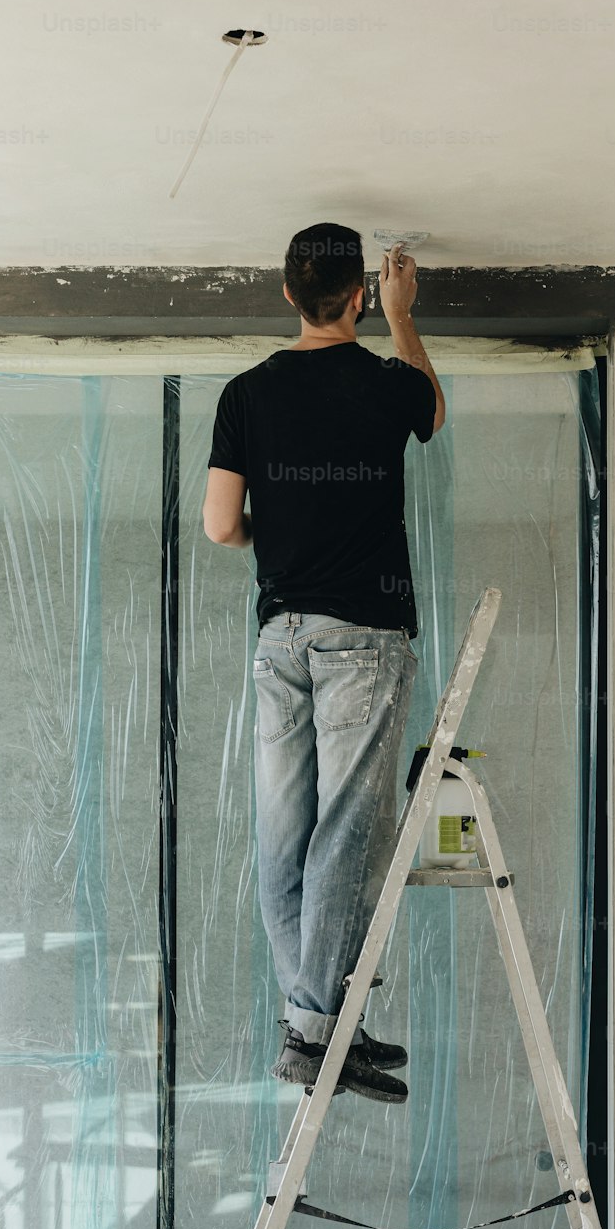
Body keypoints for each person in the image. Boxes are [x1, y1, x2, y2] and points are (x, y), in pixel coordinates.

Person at [203, 222, 445, 1101]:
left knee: (287, 834)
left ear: (284, 296)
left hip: (282, 639)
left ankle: (319, 1026)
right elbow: (433, 412)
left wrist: (289, 541)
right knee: (347, 830)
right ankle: (314, 1033)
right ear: (356, 298)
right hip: (364, 637)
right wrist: (403, 318)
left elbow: (222, 526)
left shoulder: (244, 394)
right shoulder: (387, 382)